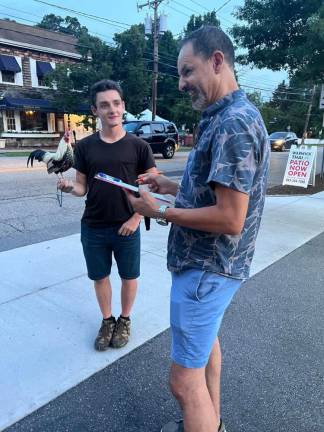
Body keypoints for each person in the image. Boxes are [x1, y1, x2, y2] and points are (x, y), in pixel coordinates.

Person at [126, 26, 270, 432]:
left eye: (188, 70)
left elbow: (230, 217)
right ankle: (212, 423)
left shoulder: (233, 124)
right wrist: (172, 188)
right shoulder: (224, 116)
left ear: (217, 61)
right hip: (211, 268)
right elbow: (215, 191)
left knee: (182, 381)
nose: (182, 82)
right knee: (206, 351)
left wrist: (160, 212)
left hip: (206, 269)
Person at [57, 79, 158, 351]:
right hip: (94, 226)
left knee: (128, 276)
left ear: (123, 106)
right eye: (104, 105)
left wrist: (135, 219)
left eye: (116, 103)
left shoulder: (139, 147)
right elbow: (82, 187)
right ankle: (107, 320)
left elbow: (151, 188)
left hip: (127, 225)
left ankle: (124, 320)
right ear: (95, 110)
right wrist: (69, 187)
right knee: (99, 276)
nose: (111, 109)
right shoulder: (86, 147)